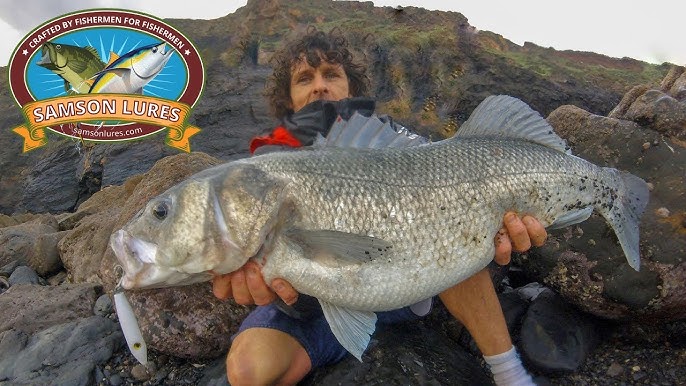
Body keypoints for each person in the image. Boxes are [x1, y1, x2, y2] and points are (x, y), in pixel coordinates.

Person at [212, 27, 547, 386]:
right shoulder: (266, 163)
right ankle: (333, 343)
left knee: (455, 233)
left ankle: (510, 373)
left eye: (331, 74)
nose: (319, 86)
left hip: (409, 282)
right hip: (312, 306)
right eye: (304, 79)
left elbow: (448, 177)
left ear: (351, 87)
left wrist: (496, 219)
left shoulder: (393, 139)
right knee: (248, 372)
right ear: (289, 99)